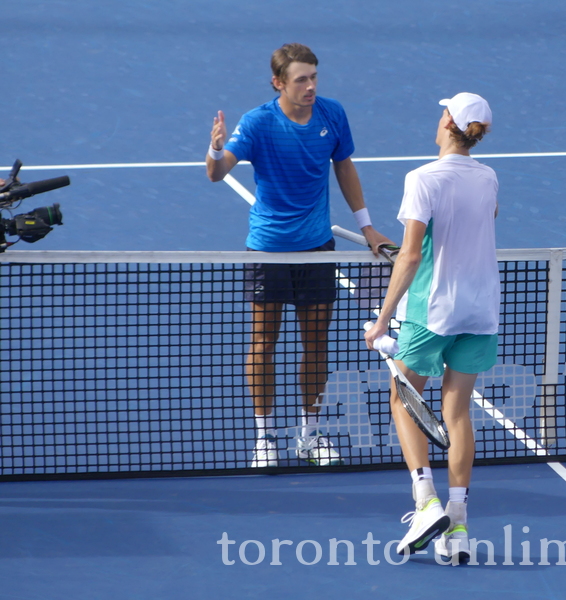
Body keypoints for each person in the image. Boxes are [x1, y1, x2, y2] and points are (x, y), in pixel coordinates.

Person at [206, 43, 392, 468]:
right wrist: (216, 149)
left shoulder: (332, 114)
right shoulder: (257, 123)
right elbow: (217, 173)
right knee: (262, 342)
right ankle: (265, 436)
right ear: (278, 83)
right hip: (269, 250)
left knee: (316, 343)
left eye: (314, 77)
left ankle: (309, 435)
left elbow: (344, 166)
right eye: (300, 80)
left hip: (317, 250)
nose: (310, 86)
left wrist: (367, 228)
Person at [364, 93, 499, 563]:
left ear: (448, 121)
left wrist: (382, 320)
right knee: (457, 413)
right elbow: (482, 221)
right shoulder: (489, 178)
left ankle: (425, 503)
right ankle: (458, 527)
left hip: (433, 312)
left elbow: (412, 255)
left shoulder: (422, 178)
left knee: (402, 399)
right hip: (481, 314)